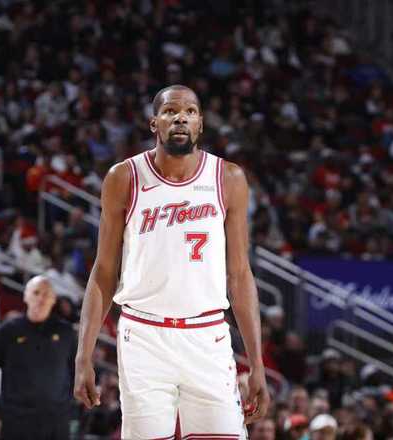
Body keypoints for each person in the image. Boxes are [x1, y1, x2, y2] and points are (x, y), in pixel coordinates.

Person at [74, 84, 270, 438]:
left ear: (200, 124)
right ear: (154, 123)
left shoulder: (228, 178)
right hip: (143, 336)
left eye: (190, 112)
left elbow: (240, 274)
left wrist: (257, 363)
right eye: (170, 111)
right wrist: (83, 355)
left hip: (207, 335)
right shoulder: (123, 177)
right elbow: (103, 271)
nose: (180, 117)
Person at [0, 275, 77, 440]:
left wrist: (67, 404)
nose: (41, 299)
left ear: (53, 300)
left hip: (56, 422)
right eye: (36, 293)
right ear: (25, 296)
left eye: (46, 294)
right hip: (17, 422)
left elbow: (76, 371)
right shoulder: (7, 332)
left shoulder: (66, 333)